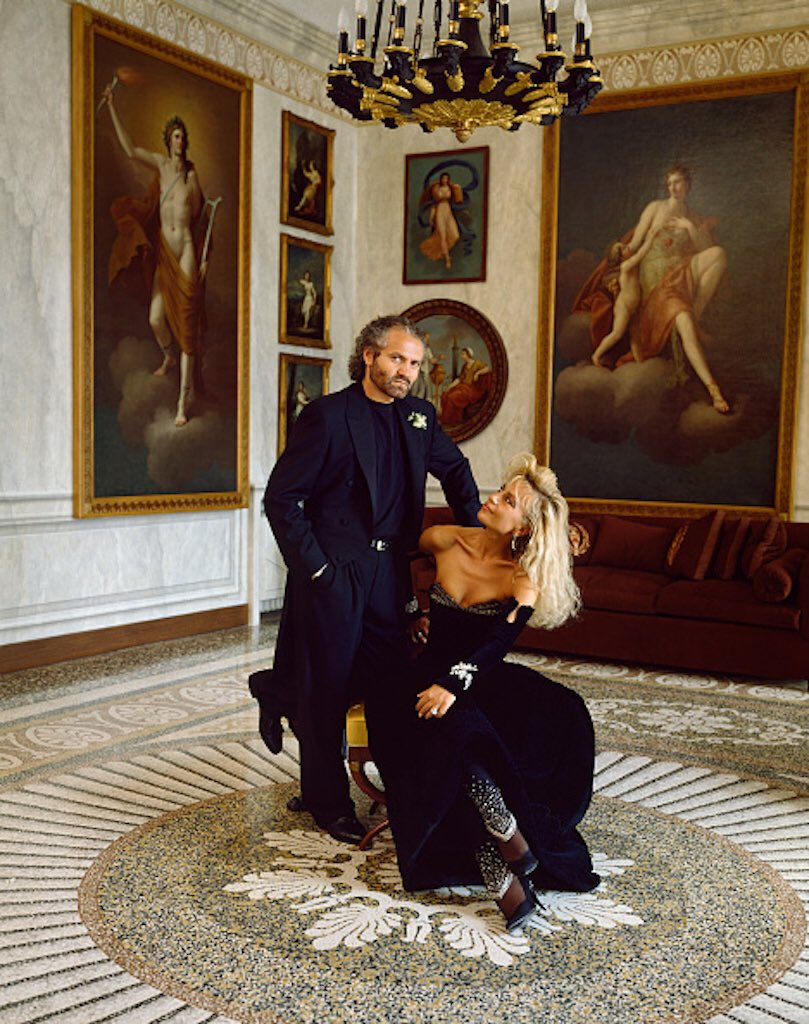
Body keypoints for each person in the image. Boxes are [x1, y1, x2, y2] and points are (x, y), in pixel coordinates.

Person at [249, 315, 481, 845]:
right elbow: (282, 498)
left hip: (389, 573)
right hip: (335, 571)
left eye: (415, 363)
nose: (407, 372)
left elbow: (456, 470)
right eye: (397, 358)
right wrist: (317, 568)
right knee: (326, 688)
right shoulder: (328, 416)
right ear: (370, 356)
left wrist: (476, 534)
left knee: (388, 683)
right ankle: (326, 802)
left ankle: (280, 691)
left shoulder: (420, 417)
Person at [365, 454, 600, 932]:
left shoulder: (522, 576)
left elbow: (497, 643)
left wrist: (453, 685)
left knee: (559, 714)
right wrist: (411, 612)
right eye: (501, 490)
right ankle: (502, 840)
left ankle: (500, 854)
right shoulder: (445, 538)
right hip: (422, 672)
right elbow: (395, 555)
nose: (493, 499)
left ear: (523, 527)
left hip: (481, 677)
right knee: (442, 724)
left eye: (508, 500)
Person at [575, 164, 730, 412]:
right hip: (656, 280)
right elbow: (635, 244)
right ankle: (714, 391)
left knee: (718, 254)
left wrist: (690, 229)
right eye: (669, 183)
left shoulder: (692, 216)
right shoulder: (655, 208)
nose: (673, 188)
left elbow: (704, 248)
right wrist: (621, 252)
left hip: (682, 271)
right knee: (684, 324)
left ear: (687, 185)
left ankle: (696, 313)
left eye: (677, 182)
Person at [104, 86, 209, 427]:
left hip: (187, 249)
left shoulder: (192, 176)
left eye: (183, 137)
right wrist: (112, 105)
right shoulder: (162, 166)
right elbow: (130, 149)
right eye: (176, 136)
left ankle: (182, 403)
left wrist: (204, 258)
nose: (181, 141)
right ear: (168, 140)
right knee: (155, 319)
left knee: (188, 327)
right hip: (166, 252)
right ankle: (169, 356)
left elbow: (201, 217)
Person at [419, 172, 464, 269]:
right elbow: (434, 205)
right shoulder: (436, 188)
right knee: (442, 236)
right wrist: (431, 218)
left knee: (455, 235)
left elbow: (458, 195)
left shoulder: (450, 188)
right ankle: (447, 259)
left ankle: (443, 251)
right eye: (443, 178)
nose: (445, 180)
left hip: (448, 211)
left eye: (446, 178)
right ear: (441, 179)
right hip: (439, 211)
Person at [440, 347, 491, 427]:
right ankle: (450, 419)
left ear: (468, 355)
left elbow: (487, 368)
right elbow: (459, 379)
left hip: (472, 390)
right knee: (446, 394)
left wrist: (477, 373)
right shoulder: (464, 366)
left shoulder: (477, 363)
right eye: (461, 354)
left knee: (452, 397)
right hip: (463, 387)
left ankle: (448, 419)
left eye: (463, 354)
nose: (461, 356)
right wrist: (449, 387)